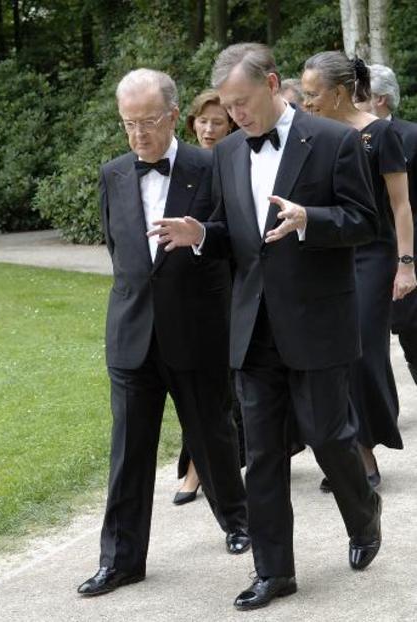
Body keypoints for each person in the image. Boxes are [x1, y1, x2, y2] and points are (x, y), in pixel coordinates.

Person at [149, 43, 382, 611]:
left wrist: (311, 221)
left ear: (273, 83)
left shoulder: (335, 141)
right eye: (228, 107)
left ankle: (364, 513)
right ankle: (274, 572)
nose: (237, 115)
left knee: (328, 436)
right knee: (263, 455)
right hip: (252, 328)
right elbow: (234, 233)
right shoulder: (227, 152)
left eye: (244, 102)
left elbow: (364, 221)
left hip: (318, 319)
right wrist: (201, 234)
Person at [77, 68, 249, 598]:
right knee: (128, 451)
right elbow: (120, 251)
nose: (138, 134)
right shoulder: (113, 174)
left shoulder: (212, 164)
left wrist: (199, 238)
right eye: (128, 123)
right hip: (131, 334)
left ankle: (239, 522)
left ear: (174, 116)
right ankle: (121, 560)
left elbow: (235, 242)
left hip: (196, 329)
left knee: (212, 434)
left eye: (148, 121)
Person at [302, 52, 416, 491]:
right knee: (328, 357)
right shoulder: (311, 135)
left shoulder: (380, 134)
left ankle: (365, 452)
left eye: (312, 93)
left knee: (364, 353)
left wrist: (406, 264)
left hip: (372, 256)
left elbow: (401, 204)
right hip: (326, 254)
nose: (306, 101)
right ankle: (345, 451)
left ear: (338, 92)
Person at [173, 88, 244, 505]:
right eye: (203, 120)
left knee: (226, 381)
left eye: (218, 121)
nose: (208, 128)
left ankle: (208, 467)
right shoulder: (182, 163)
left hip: (232, 277)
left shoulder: (235, 159)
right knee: (199, 379)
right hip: (189, 283)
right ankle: (196, 466)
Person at [357, 64, 417, 385]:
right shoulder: (345, 136)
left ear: (378, 99)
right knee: (369, 337)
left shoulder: (412, 136)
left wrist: (408, 260)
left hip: (408, 249)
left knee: (411, 332)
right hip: (368, 254)